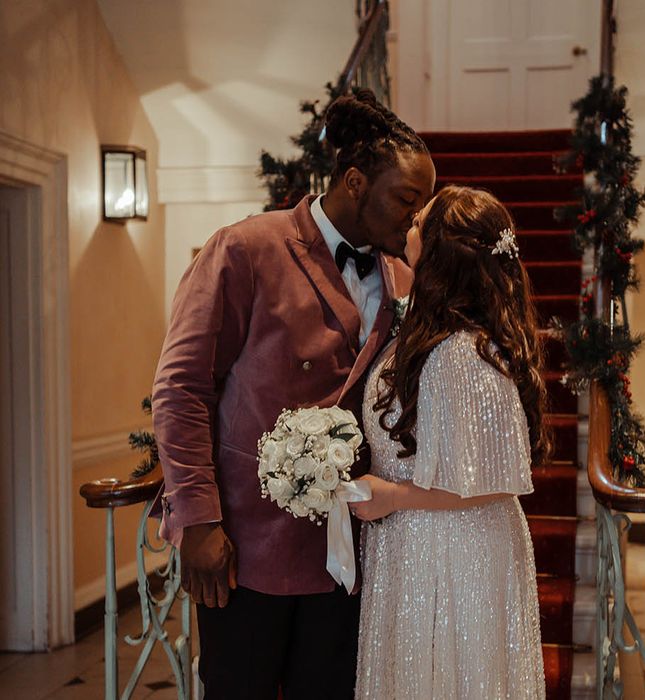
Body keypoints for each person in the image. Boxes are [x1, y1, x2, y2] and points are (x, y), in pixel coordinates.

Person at [151, 89, 435, 699]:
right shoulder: (246, 248)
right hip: (244, 550)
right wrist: (198, 520)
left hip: (348, 555)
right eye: (407, 200)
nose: (415, 219)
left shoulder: (399, 277)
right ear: (355, 182)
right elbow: (181, 387)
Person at [353, 185, 550, 699]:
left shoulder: (462, 355)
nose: (408, 224)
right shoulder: (439, 333)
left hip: (451, 552)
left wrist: (393, 496)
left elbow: (489, 484)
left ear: (441, 251)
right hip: (422, 542)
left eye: (420, 222)